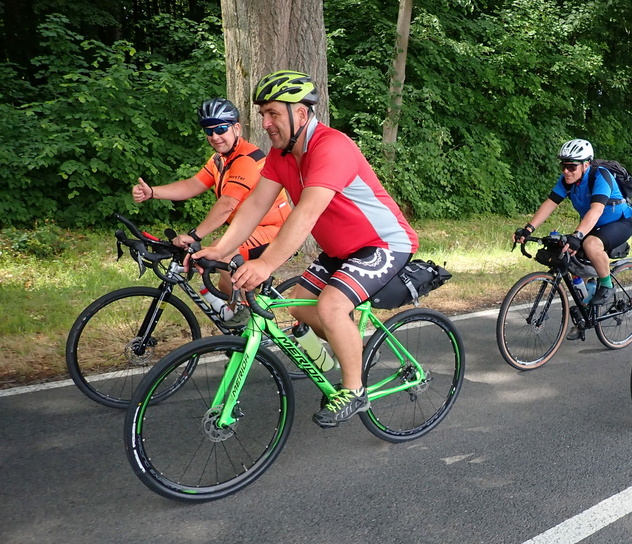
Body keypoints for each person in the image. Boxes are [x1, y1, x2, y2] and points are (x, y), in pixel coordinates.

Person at [192, 70, 419, 428]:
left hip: (383, 242)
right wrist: (221, 249)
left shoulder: (331, 147)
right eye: (263, 114)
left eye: (273, 114)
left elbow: (306, 213)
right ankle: (350, 351)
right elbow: (253, 207)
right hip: (341, 248)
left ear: (300, 113)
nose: (265, 123)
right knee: (301, 303)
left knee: (329, 306)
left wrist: (266, 264)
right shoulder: (282, 155)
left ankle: (354, 389)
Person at [132, 98, 291, 317]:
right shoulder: (220, 159)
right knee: (226, 276)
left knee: (222, 252)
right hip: (251, 228)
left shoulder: (245, 159)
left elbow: (227, 204)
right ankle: (240, 319)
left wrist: (194, 235)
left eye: (221, 129)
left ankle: (247, 321)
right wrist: (153, 192)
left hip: (275, 229)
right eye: (209, 131)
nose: (215, 136)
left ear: (236, 128)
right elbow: (194, 184)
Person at [512, 138, 632, 311]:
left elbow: (596, 210)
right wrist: (528, 229)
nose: (566, 171)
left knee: (591, 244)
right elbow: (550, 204)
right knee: (569, 254)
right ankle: (586, 306)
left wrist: (578, 235)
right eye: (563, 166)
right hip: (591, 224)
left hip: (619, 221)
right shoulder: (566, 181)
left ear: (586, 165)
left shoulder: (600, 176)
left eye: (572, 167)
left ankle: (607, 285)